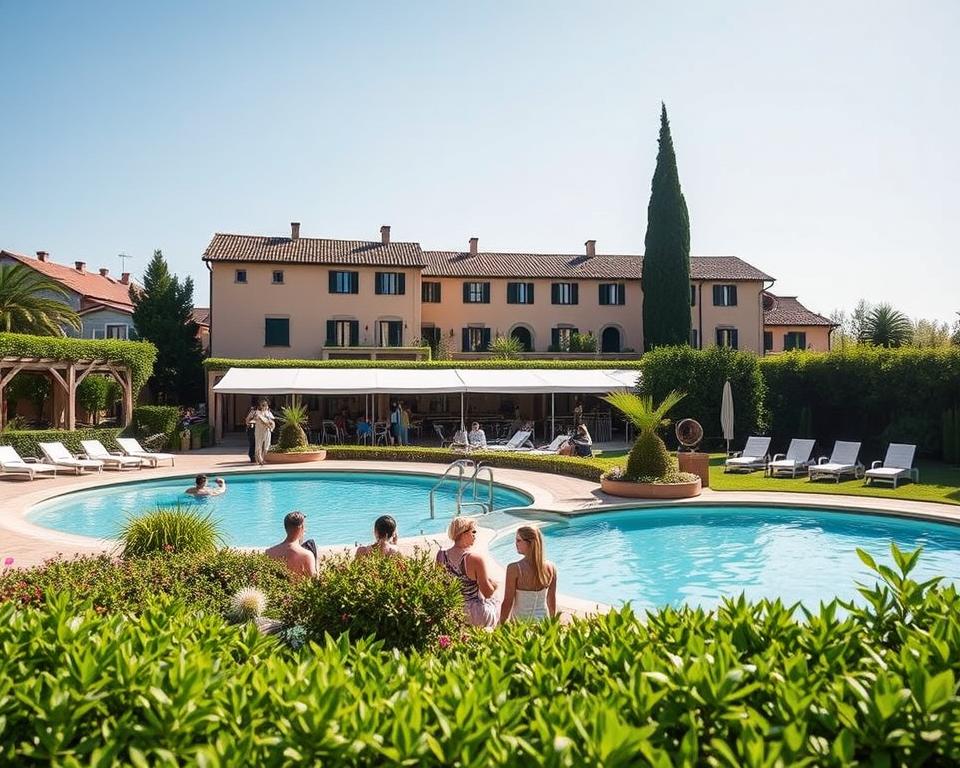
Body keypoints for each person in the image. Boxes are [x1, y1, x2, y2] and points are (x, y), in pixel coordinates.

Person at [436, 516, 500, 628]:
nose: (475, 536)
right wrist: (494, 585)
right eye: (473, 532)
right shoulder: (474, 559)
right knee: (498, 603)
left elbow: (441, 585)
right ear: (463, 533)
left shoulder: (441, 555)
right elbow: (487, 593)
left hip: (453, 610)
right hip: (474, 614)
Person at [499, 526, 557, 623]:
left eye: (518, 540)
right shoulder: (551, 568)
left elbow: (508, 601)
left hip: (520, 625)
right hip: (542, 623)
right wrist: (553, 624)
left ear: (529, 543)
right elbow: (551, 600)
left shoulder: (515, 569)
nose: (515, 544)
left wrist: (501, 624)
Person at [265, 511, 317, 578]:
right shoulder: (306, 555)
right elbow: (315, 582)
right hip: (298, 588)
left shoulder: (269, 552)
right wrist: (316, 565)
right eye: (304, 527)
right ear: (301, 528)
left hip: (276, 588)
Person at [252, 399, 275, 465]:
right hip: (259, 431)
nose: (264, 406)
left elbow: (272, 422)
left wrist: (271, 427)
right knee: (258, 445)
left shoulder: (269, 413)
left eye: (265, 405)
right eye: (263, 405)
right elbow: (255, 419)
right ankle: (259, 460)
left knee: (266, 446)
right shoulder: (257, 413)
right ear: (260, 405)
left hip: (267, 431)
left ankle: (263, 458)